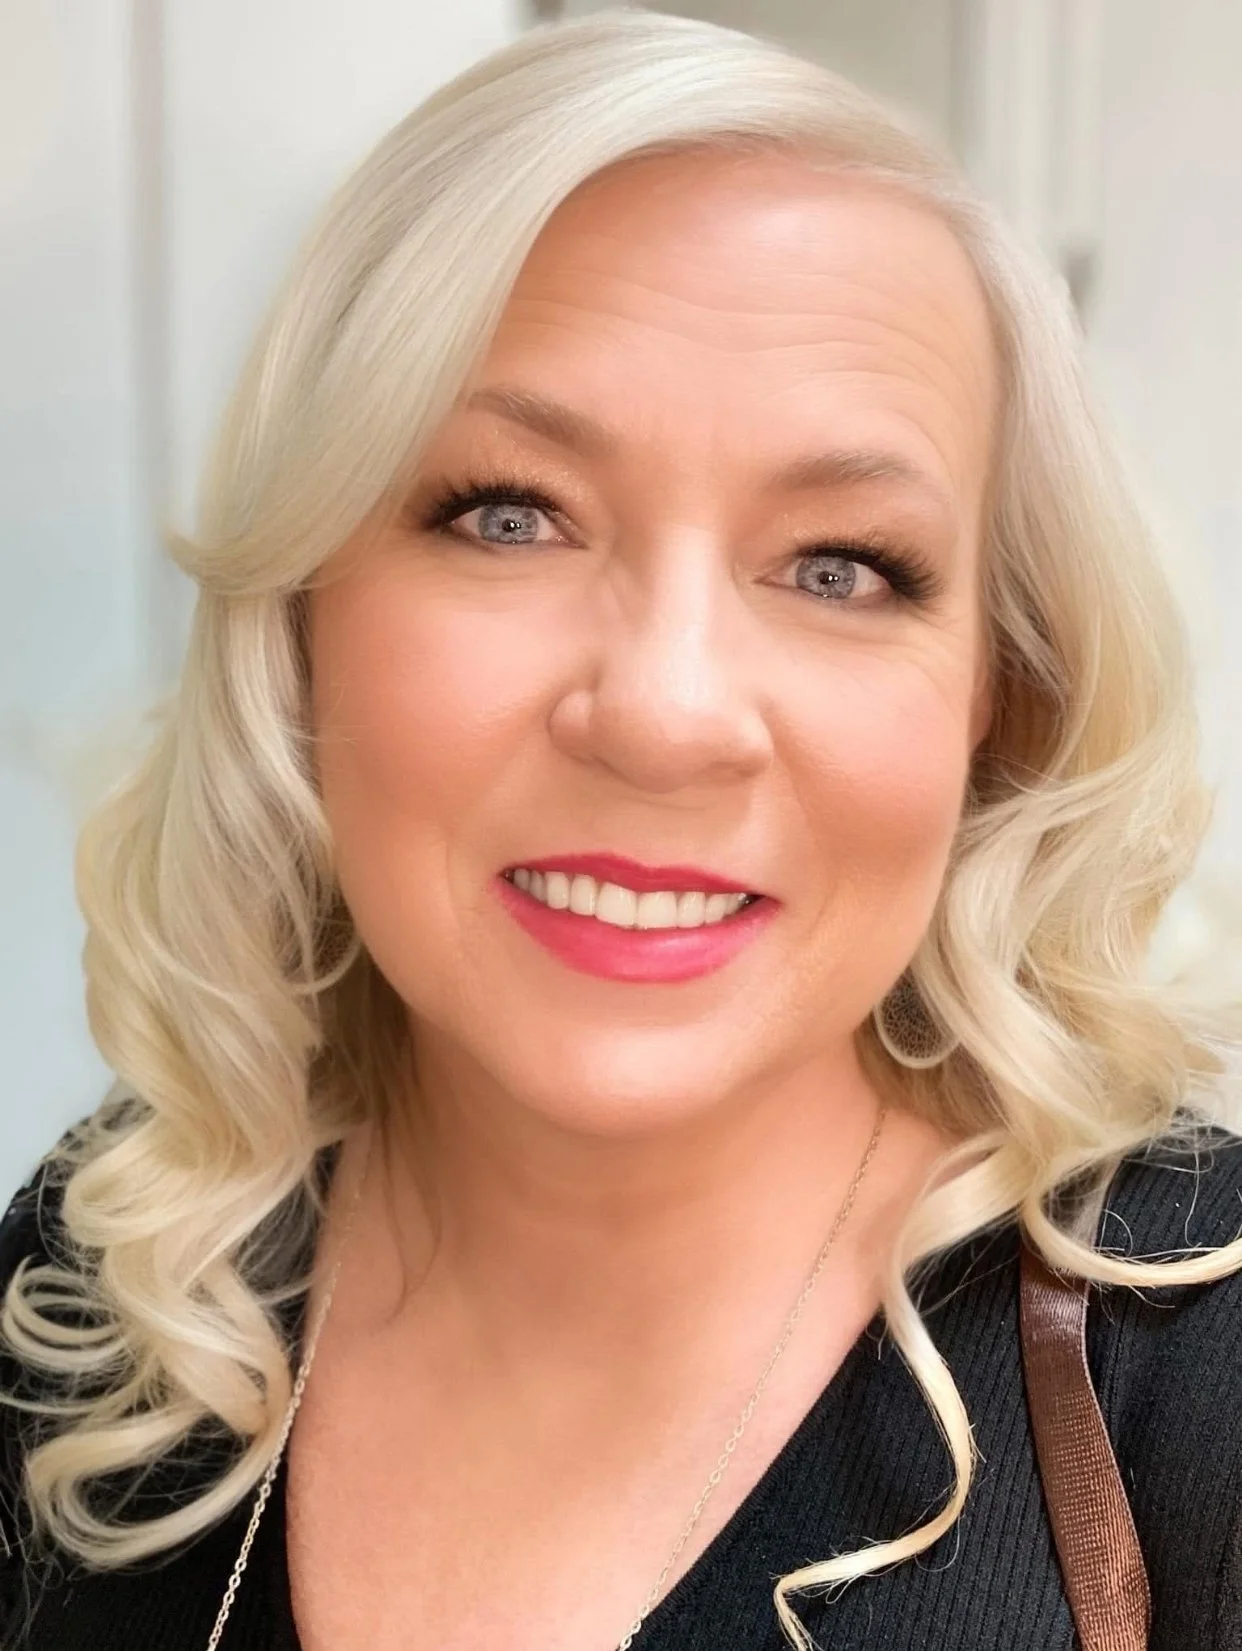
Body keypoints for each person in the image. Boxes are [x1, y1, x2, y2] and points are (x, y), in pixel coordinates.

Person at [2, 9, 1241, 1650]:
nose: (663, 712)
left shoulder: (1196, 1369)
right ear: (300, 623)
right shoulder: (114, 1275)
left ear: (993, 702)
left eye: (840, 567)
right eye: (507, 515)